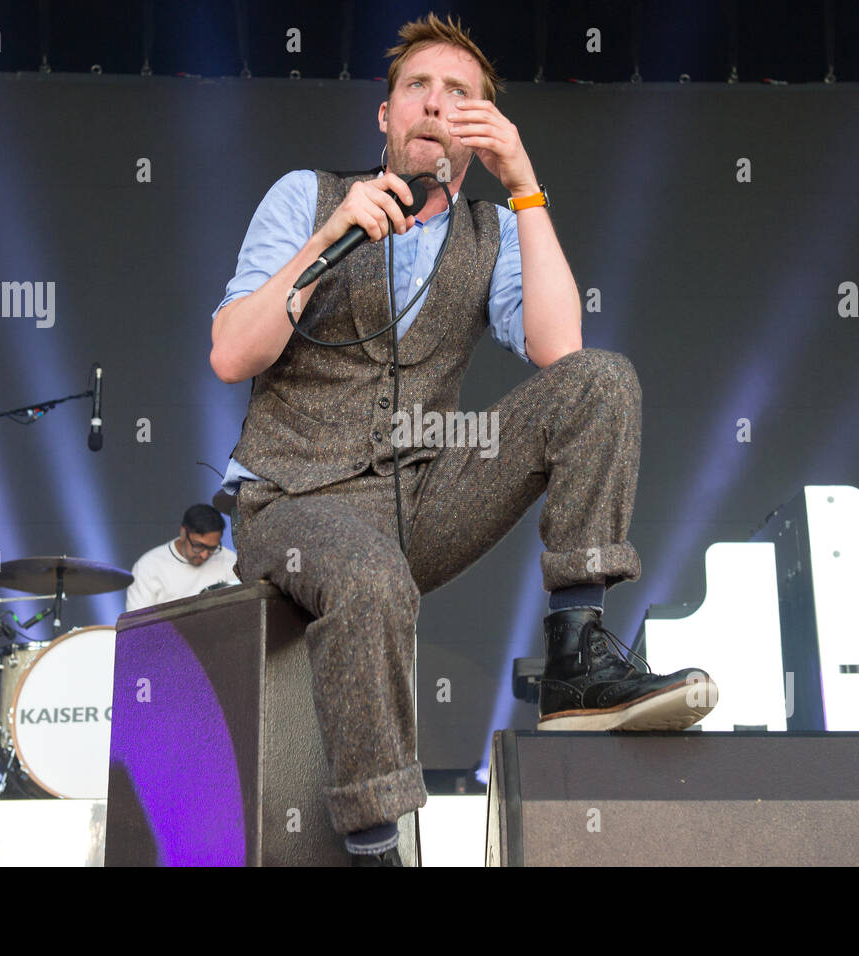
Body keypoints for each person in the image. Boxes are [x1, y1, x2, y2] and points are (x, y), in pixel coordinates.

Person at [210, 13, 717, 864]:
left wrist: (524, 184)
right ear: (386, 115)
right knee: (369, 579)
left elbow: (562, 353)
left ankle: (577, 654)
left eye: (459, 95)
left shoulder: (491, 231)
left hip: (420, 496)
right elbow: (232, 353)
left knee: (601, 381)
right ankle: (378, 847)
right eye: (418, 88)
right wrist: (328, 240)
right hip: (291, 500)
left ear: (480, 130)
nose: (435, 107)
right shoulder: (307, 196)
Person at [124, 504, 239, 612]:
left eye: (212, 548)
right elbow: (137, 624)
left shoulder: (230, 560)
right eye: (198, 546)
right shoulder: (148, 566)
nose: (204, 555)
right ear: (183, 533)